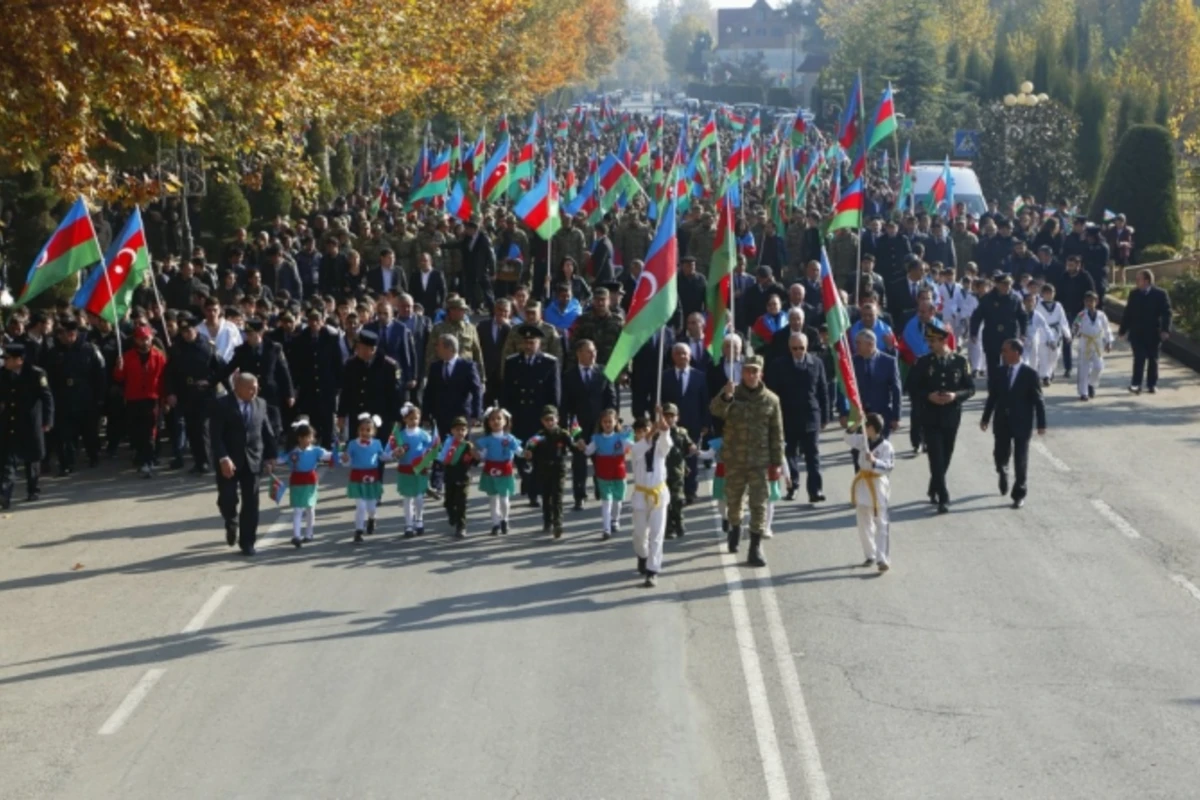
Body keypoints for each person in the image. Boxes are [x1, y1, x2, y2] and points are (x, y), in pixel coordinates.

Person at [709, 355, 785, 567]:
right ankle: (734, 528)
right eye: (747, 371)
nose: (751, 375)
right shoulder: (732, 394)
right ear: (741, 372)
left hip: (760, 461)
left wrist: (777, 462)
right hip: (734, 459)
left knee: (759, 503)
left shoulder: (771, 400)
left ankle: (755, 547)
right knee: (734, 501)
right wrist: (726, 396)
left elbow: (776, 433)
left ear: (761, 373)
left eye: (755, 371)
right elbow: (715, 411)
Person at [906, 318, 975, 513]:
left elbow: (970, 389)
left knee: (946, 455)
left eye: (933, 341)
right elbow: (911, 387)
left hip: (951, 416)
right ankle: (944, 496)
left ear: (944, 340)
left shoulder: (960, 362)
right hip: (930, 415)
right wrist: (928, 396)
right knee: (935, 456)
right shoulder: (923, 362)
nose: (930, 345)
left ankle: (934, 485)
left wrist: (955, 396)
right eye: (929, 341)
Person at [210, 372, 278, 555]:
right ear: (237, 387)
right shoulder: (221, 404)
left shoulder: (261, 403)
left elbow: (266, 431)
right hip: (228, 461)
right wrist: (223, 458)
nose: (254, 391)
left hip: (253, 460)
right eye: (250, 388)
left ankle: (247, 542)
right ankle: (231, 519)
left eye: (256, 388)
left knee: (251, 503)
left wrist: (271, 456)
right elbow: (215, 436)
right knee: (227, 497)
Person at [980, 339, 1047, 509]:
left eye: (1005, 350)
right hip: (1002, 420)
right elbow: (992, 397)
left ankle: (1019, 493)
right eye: (1002, 350)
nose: (1002, 353)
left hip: (1021, 422)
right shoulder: (999, 372)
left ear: (1016, 352)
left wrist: (1041, 423)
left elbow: (1038, 400)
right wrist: (985, 418)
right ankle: (1002, 470)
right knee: (1000, 454)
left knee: (1021, 459)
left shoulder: (1030, 374)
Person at [766, 332, 829, 502]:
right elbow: (771, 393)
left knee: (813, 455)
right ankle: (792, 486)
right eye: (794, 348)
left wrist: (825, 416)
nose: (798, 351)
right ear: (789, 348)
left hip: (810, 416)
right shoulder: (778, 365)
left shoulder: (816, 363)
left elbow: (823, 390)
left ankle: (815, 490)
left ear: (807, 347)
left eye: (801, 348)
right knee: (789, 455)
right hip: (787, 417)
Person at [503, 325, 561, 507]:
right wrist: (506, 417)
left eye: (532, 342)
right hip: (519, 415)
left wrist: (553, 418)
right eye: (526, 342)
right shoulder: (512, 362)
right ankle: (526, 479)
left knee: (538, 456)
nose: (529, 346)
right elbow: (506, 392)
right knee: (520, 454)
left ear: (539, 344)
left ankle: (534, 492)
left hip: (539, 416)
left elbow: (554, 393)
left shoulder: (549, 362)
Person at [561, 339, 617, 510]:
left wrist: (612, 421)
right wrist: (566, 428)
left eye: (594, 351)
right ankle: (579, 495)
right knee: (579, 463)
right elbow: (564, 405)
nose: (593, 354)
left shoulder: (603, 372)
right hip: (578, 426)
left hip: (600, 425)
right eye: (588, 351)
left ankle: (600, 487)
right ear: (579, 353)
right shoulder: (568, 376)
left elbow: (611, 398)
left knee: (601, 460)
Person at [47, 316, 105, 475]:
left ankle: (93, 456)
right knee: (65, 435)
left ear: (73, 333)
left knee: (89, 432)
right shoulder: (54, 353)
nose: (63, 337)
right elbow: (49, 377)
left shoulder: (90, 349)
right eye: (61, 333)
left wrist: (99, 398)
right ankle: (66, 463)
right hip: (63, 399)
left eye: (66, 333)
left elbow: (99, 375)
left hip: (86, 398)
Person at [219, 317, 294, 437]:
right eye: (247, 334)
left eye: (251, 334)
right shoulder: (242, 351)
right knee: (254, 428)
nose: (248, 337)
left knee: (273, 428)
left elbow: (284, 372)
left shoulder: (274, 348)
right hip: (250, 395)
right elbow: (228, 369)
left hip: (270, 394)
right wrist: (211, 381)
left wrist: (289, 394)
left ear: (260, 333)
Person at [0, 343, 54, 508]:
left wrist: (48, 421)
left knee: (32, 459)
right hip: (10, 422)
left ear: (19, 360)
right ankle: (4, 495)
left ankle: (33, 490)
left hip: (31, 422)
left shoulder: (36, 374)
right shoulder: (3, 374)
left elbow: (47, 398)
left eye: (7, 359)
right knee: (8, 462)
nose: (4, 362)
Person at [113, 325, 168, 477]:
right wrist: (119, 368)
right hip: (133, 399)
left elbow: (164, 379)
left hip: (152, 399)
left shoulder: (159, 356)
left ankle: (148, 461)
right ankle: (140, 455)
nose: (143, 342)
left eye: (146, 338)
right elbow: (119, 378)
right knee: (136, 431)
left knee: (150, 431)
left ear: (151, 338)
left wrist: (165, 400)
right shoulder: (127, 356)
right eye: (140, 339)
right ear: (135, 340)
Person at [844, 413, 894, 571]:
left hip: (878, 484)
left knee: (881, 523)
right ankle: (870, 554)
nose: (864, 429)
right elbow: (847, 438)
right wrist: (856, 424)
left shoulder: (886, 446)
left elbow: (889, 467)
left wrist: (875, 461)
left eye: (866, 426)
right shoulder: (862, 440)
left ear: (872, 428)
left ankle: (882, 558)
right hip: (863, 484)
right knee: (863, 521)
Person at [660, 342, 708, 504]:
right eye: (678, 353)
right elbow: (659, 399)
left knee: (691, 458)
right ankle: (672, 491)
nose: (682, 356)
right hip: (670, 425)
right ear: (673, 356)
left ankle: (690, 491)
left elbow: (704, 401)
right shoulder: (664, 376)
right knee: (671, 459)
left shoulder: (699, 376)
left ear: (690, 356)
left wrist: (705, 423)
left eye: (685, 353)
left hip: (693, 423)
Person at [630, 412, 673, 587]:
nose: (643, 433)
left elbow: (666, 443)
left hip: (658, 495)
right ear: (636, 434)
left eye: (645, 429)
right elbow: (642, 446)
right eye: (639, 431)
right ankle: (642, 555)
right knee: (640, 534)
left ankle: (652, 570)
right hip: (641, 495)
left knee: (657, 534)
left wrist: (663, 429)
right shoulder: (636, 448)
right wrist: (651, 431)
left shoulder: (659, 448)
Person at [276, 419, 330, 547]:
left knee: (310, 508)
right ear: (299, 438)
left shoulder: (316, 450)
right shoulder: (292, 452)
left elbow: (328, 455)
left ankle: (309, 533)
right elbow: (279, 459)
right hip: (296, 482)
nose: (309, 440)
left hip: (310, 482)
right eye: (307, 437)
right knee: (297, 509)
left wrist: (341, 455)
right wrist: (270, 462)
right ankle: (296, 536)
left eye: (311, 437)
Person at [1119, 269, 1173, 394]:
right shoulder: (1134, 294)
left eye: (1139, 279)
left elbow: (1167, 313)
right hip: (1137, 332)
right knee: (1139, 358)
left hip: (1153, 332)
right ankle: (1136, 384)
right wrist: (1123, 330)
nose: (1136, 282)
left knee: (1153, 359)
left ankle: (1151, 384)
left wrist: (1165, 330)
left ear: (1147, 281)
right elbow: (1128, 313)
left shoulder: (1160, 294)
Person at [523, 406, 573, 538]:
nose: (549, 422)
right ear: (542, 421)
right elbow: (529, 450)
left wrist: (578, 445)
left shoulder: (563, 434)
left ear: (557, 419)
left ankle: (558, 523)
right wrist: (528, 454)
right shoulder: (538, 436)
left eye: (552, 419)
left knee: (557, 497)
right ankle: (547, 521)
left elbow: (572, 447)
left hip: (559, 468)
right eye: (546, 420)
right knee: (546, 496)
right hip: (544, 469)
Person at [580, 408, 629, 540]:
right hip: (603, 474)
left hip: (618, 472)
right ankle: (606, 528)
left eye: (610, 421)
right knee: (606, 501)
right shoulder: (597, 439)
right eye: (605, 422)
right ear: (601, 423)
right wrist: (583, 446)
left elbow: (629, 447)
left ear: (615, 422)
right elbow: (588, 452)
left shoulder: (621, 437)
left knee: (617, 500)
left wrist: (631, 442)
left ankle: (615, 520)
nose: (607, 424)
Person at [475, 406, 522, 536]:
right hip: (490, 470)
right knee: (493, 499)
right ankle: (495, 523)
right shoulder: (487, 440)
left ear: (505, 421)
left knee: (504, 498)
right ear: (488, 422)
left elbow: (518, 451)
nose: (496, 421)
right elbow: (483, 454)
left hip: (505, 470)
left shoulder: (509, 438)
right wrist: (477, 455)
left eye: (499, 418)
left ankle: (505, 520)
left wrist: (526, 454)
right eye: (492, 419)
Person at [391, 403, 435, 538]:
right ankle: (408, 524)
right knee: (407, 498)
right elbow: (391, 451)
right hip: (405, 469)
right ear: (405, 419)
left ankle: (419, 520)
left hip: (419, 470)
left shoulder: (424, 434)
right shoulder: (400, 435)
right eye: (410, 419)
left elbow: (432, 448)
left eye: (416, 418)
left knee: (419, 497)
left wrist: (429, 457)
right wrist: (396, 453)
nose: (413, 421)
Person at [969, 273, 1027, 376]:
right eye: (1004, 284)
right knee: (992, 367)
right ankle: (993, 388)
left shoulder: (1015, 299)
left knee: (1009, 365)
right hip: (992, 336)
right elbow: (976, 317)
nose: (1007, 287)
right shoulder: (987, 299)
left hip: (1009, 335)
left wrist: (1023, 333)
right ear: (997, 284)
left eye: (1009, 284)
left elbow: (1023, 316)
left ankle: (1007, 387)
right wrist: (974, 333)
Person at [342, 413, 387, 542]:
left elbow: (383, 456)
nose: (365, 433)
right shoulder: (352, 444)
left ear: (373, 431)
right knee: (360, 506)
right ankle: (358, 530)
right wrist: (345, 459)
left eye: (368, 430)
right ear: (358, 430)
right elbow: (348, 461)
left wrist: (394, 454)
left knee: (371, 507)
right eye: (362, 429)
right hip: (357, 476)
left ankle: (372, 519)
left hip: (372, 477)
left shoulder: (377, 443)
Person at [660, 403, 697, 539]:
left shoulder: (681, 432)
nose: (669, 419)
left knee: (678, 499)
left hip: (677, 471)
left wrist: (692, 447)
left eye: (672, 416)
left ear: (677, 417)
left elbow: (689, 445)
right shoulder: (658, 433)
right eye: (666, 415)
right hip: (662, 472)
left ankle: (679, 522)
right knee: (665, 501)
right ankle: (668, 526)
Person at [439, 417, 477, 538]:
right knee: (449, 502)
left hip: (464, 477)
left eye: (463, 429)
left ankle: (461, 526)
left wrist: (474, 453)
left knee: (462, 503)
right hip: (450, 477)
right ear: (452, 431)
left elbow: (475, 461)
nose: (460, 432)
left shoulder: (468, 446)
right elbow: (442, 460)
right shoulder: (448, 444)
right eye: (457, 429)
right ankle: (452, 515)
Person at [1073, 291, 1114, 401]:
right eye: (1087, 301)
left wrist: (1108, 342)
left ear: (1096, 302)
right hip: (1085, 342)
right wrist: (1076, 331)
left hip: (1097, 343)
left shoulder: (1101, 315)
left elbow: (1107, 329)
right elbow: (1075, 327)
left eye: (1092, 301)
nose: (1090, 303)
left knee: (1098, 366)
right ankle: (1083, 392)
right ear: (1084, 302)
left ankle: (1091, 384)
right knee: (1084, 369)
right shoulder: (1081, 315)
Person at [1033, 284, 1071, 385]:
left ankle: (1050, 371)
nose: (1049, 295)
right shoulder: (1038, 305)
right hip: (1042, 332)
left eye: (1051, 293)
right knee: (1043, 355)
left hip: (1055, 333)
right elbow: (1035, 320)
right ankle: (1045, 376)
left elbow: (1063, 320)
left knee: (1055, 355)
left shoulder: (1058, 306)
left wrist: (1067, 334)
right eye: (1047, 293)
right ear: (1042, 294)